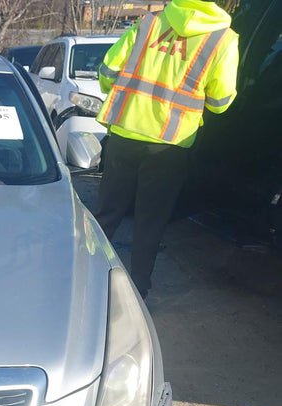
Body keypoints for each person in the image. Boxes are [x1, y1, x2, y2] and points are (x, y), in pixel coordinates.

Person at [93, 0, 239, 299]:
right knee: (150, 222)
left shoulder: (148, 23)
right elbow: (220, 102)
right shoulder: (223, 39)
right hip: (170, 144)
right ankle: (138, 292)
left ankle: (87, 276)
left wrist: (118, 91)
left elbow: (108, 70)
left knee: (106, 214)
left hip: (124, 131)